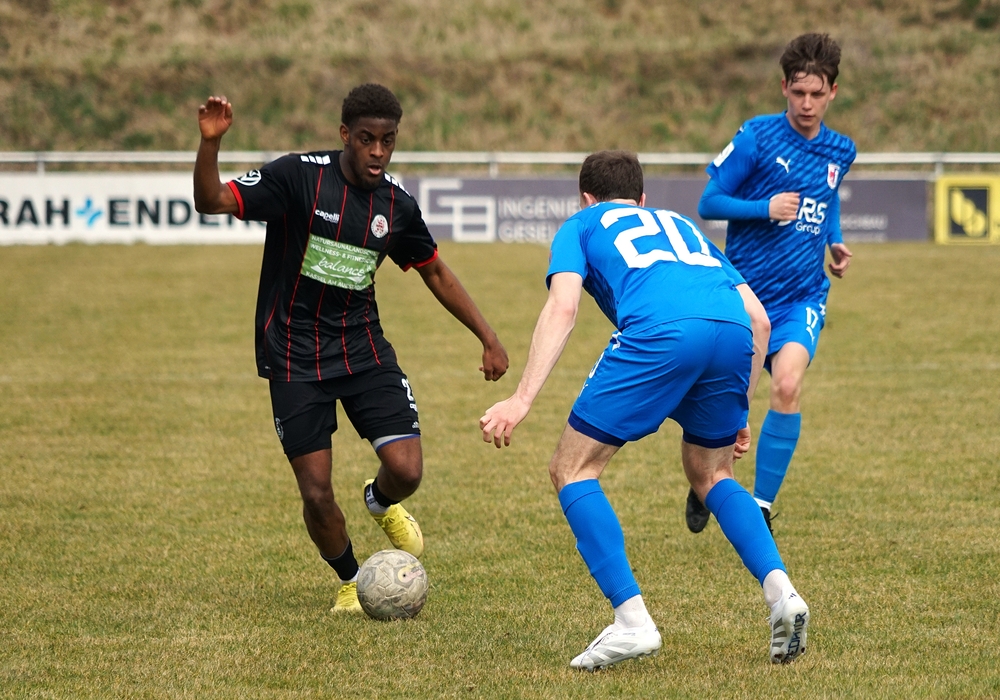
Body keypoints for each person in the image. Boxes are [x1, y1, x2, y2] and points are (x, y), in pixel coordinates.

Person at [480, 150, 809, 670]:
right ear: (642, 199)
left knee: (572, 469)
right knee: (713, 472)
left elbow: (563, 306)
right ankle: (782, 594)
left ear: (586, 198)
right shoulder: (681, 224)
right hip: (732, 331)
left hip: (661, 332)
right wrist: (741, 412)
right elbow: (760, 320)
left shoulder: (582, 224)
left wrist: (521, 399)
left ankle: (632, 621)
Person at [193, 84, 509, 614]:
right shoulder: (298, 177)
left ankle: (379, 501)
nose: (378, 152)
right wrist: (210, 143)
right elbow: (211, 201)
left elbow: (434, 271)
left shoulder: (396, 205)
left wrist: (489, 336)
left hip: (362, 349)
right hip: (293, 357)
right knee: (316, 492)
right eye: (367, 139)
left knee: (407, 470)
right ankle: (350, 579)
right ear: (345, 135)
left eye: (388, 141)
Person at [686, 33, 857, 536]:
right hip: (746, 295)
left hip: (802, 296)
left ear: (832, 92)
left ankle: (758, 506)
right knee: (728, 407)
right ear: (784, 87)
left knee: (786, 385)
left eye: (817, 94)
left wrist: (835, 241)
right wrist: (764, 208)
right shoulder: (756, 137)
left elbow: (828, 196)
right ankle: (708, 480)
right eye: (798, 92)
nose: (806, 103)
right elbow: (709, 202)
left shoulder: (841, 149)